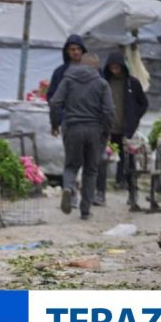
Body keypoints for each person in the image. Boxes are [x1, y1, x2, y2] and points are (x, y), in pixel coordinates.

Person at [49, 53, 114, 220]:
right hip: (94, 130)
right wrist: (106, 132)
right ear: (96, 66)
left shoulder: (68, 80)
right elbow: (109, 111)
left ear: (80, 64)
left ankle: (69, 189)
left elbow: (55, 103)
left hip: (72, 128)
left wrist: (55, 124)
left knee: (71, 166)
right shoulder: (102, 84)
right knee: (91, 170)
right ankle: (85, 210)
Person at [94, 51, 148, 209]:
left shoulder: (132, 83)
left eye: (117, 67)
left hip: (126, 130)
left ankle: (132, 193)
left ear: (123, 67)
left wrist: (134, 118)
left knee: (129, 163)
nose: (114, 70)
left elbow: (143, 103)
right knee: (102, 161)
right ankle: (100, 193)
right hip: (107, 130)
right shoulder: (104, 83)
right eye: (112, 67)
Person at [47, 34, 87, 207]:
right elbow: (52, 97)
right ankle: (72, 193)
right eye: (72, 49)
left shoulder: (92, 71)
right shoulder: (60, 72)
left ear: (83, 51)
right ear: (67, 52)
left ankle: (82, 195)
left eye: (78, 49)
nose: (75, 52)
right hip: (69, 121)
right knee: (72, 158)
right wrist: (57, 120)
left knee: (87, 161)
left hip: (90, 122)